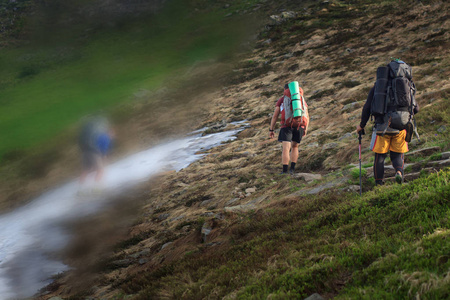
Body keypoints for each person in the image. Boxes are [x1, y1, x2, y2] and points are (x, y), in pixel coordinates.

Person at [356, 61, 419, 185]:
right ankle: (399, 172)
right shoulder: (407, 85)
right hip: (401, 126)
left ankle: (379, 183)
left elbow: (367, 107)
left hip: (382, 127)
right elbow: (416, 108)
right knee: (397, 154)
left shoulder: (379, 87)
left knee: (380, 157)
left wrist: (361, 125)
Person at [269, 84, 309, 174]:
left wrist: (271, 129)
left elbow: (275, 116)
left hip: (286, 125)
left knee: (286, 148)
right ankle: (292, 169)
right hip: (300, 125)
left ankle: (284, 171)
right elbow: (307, 115)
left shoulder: (282, 99)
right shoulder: (300, 99)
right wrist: (305, 128)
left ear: (285, 90)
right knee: (295, 146)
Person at [78, 114, 114, 190]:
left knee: (85, 170)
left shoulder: (96, 136)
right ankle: (96, 189)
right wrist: (104, 158)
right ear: (109, 132)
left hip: (85, 151)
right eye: (112, 133)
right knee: (100, 170)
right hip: (94, 153)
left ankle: (80, 189)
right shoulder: (106, 138)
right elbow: (103, 151)